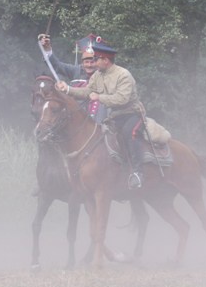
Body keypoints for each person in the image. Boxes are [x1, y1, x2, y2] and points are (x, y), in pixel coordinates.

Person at [55, 41, 145, 189]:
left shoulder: (123, 75)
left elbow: (122, 99)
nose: (94, 62)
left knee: (131, 133)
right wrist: (67, 90)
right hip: (113, 118)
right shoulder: (98, 75)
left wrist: (100, 97)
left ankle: (137, 173)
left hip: (131, 115)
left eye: (96, 59)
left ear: (106, 60)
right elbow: (87, 91)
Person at [38, 33, 107, 124]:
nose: (89, 65)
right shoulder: (76, 71)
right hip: (73, 118)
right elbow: (57, 65)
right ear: (82, 62)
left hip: (98, 120)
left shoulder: (105, 75)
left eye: (92, 62)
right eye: (86, 62)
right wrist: (47, 50)